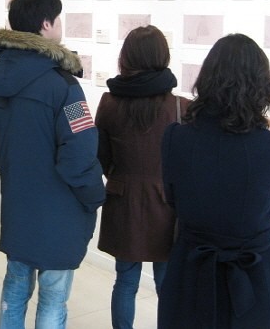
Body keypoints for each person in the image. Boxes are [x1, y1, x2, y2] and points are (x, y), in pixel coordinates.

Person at [0, 0, 105, 328]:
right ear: (46, 24)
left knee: (15, 285)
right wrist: (95, 196)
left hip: (18, 205)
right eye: (58, 19)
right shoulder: (65, 88)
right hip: (59, 213)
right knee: (52, 296)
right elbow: (79, 154)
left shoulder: (1, 79)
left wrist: (20, 171)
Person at [158, 34, 270, 328]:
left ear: (207, 80)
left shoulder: (176, 139)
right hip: (257, 278)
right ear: (261, 86)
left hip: (192, 274)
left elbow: (173, 200)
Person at [95, 25, 190, 329]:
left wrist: (120, 176)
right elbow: (188, 163)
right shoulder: (180, 107)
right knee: (166, 283)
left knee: (125, 281)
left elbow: (100, 157)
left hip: (123, 200)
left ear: (127, 57)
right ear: (163, 57)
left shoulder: (109, 102)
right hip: (167, 205)